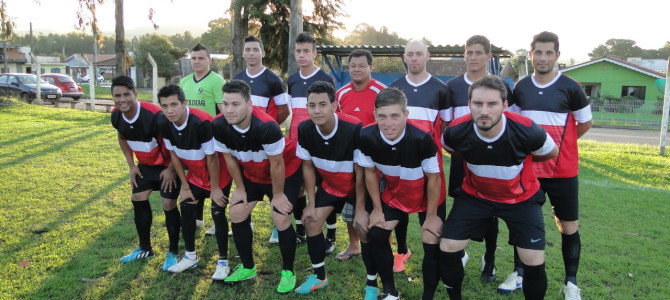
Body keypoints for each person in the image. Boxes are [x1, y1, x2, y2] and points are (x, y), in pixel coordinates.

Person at [440, 75, 558, 300]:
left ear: (504, 105)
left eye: (492, 104)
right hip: (476, 196)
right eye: (478, 103)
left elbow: (550, 152)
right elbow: (451, 149)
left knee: (533, 260)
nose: (484, 110)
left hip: (521, 199)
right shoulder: (456, 130)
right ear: (469, 104)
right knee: (448, 247)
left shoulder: (526, 129)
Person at [507, 31, 592, 300]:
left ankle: (571, 283)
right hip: (529, 170)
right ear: (530, 55)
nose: (543, 58)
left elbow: (585, 122)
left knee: (568, 226)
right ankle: (518, 273)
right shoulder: (521, 88)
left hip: (562, 171)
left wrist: (562, 145)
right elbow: (516, 124)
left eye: (548, 52)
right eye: (538, 52)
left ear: (557, 55)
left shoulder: (571, 87)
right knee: (521, 223)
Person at [212, 79, 303, 294]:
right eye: (225, 104)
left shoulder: (267, 127)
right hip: (252, 173)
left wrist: (278, 195)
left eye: (236, 104)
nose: (229, 110)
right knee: (236, 212)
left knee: (280, 217)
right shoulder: (218, 125)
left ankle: (288, 272)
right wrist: (241, 189)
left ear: (249, 105)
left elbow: (277, 163)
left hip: (284, 172)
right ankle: (247, 267)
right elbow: (229, 159)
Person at [357, 87, 446, 300]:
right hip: (397, 193)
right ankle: (390, 292)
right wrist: (377, 210)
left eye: (395, 116)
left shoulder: (422, 138)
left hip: (428, 196)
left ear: (406, 115)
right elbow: (370, 173)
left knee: (432, 242)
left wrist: (432, 216)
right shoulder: (366, 136)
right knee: (377, 234)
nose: (388, 123)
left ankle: (428, 296)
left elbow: (434, 178)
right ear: (375, 115)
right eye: (382, 116)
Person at [444, 35, 512, 282]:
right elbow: (447, 126)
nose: (473, 57)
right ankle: (460, 251)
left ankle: (490, 259)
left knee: (491, 211)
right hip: (463, 161)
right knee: (462, 205)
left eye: (478, 52)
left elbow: (511, 124)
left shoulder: (502, 86)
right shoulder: (452, 86)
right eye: (469, 52)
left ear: (488, 56)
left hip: (494, 162)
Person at [156, 84, 233, 281]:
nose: (170, 110)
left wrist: (215, 189)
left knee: (217, 212)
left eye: (174, 104)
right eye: (164, 106)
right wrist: (185, 185)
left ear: (184, 103)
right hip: (196, 174)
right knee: (186, 208)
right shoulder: (164, 123)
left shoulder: (201, 122)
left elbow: (213, 158)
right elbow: (173, 154)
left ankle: (223, 262)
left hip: (218, 173)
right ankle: (190, 256)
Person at [388, 39, 453, 273]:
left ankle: (436, 260)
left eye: (418, 54)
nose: (414, 58)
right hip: (399, 163)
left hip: (430, 165)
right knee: (399, 208)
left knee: (432, 213)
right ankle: (402, 251)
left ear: (427, 56)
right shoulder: (394, 87)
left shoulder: (440, 89)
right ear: (404, 57)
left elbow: (445, 123)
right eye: (410, 54)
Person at [294, 81, 365, 294]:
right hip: (331, 186)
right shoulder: (304, 128)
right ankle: (319, 277)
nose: (317, 110)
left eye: (323, 104)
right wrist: (310, 203)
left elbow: (361, 171)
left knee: (365, 228)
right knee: (311, 221)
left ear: (334, 106)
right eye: (312, 105)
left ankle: (374, 282)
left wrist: (361, 208)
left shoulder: (354, 127)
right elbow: (307, 166)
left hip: (355, 187)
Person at [111, 76, 181, 271]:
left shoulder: (155, 115)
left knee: (168, 203)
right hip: (145, 166)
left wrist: (171, 170)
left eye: (127, 94)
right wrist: (132, 165)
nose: (122, 99)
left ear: (136, 94)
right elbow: (122, 137)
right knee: (138, 198)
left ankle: (173, 252)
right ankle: (145, 248)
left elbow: (175, 143)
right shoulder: (116, 115)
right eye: (117, 95)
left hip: (169, 166)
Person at [334, 48, 387, 261]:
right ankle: (354, 245)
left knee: (380, 205)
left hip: (378, 161)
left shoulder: (381, 92)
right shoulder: (341, 93)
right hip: (350, 160)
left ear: (370, 67)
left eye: (361, 66)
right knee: (351, 206)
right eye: (352, 66)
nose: (356, 70)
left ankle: (384, 244)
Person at [287, 32, 336, 244]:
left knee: (323, 187)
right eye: (298, 51)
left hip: (319, 144)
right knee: (298, 188)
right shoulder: (292, 79)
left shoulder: (325, 79)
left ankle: (331, 234)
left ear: (314, 53)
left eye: (306, 51)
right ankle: (300, 229)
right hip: (296, 143)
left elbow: (332, 113)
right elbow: (289, 111)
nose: (302, 55)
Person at [179, 43, 226, 234]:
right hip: (190, 140)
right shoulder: (184, 82)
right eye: (193, 58)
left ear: (209, 60)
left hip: (210, 138)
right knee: (195, 177)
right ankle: (198, 218)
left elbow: (223, 113)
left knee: (214, 177)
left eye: (201, 58)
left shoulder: (217, 81)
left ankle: (218, 219)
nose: (197, 61)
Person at [234, 34, 290, 125]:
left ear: (263, 53)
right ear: (243, 54)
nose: (251, 53)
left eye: (256, 50)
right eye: (247, 50)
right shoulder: (237, 79)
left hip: (264, 135)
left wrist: (269, 126)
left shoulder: (274, 80)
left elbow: (284, 112)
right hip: (242, 132)